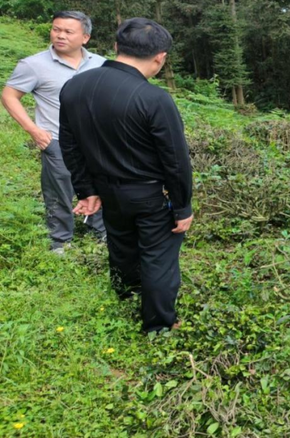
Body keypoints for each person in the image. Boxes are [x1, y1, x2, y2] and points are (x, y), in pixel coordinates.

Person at [59, 18, 193, 333]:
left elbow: (70, 143)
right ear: (160, 58)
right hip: (149, 193)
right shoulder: (154, 98)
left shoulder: (75, 86)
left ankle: (126, 292)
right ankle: (158, 325)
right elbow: (175, 161)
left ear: (117, 47)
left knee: (121, 244)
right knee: (158, 256)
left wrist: (86, 189)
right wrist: (183, 206)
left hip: (107, 190)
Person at [1, 11, 106, 254]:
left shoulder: (101, 64)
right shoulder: (34, 65)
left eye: (68, 32)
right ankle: (60, 241)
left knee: (100, 184)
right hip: (57, 139)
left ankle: (99, 232)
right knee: (60, 190)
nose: (59, 35)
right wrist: (34, 130)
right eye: (56, 29)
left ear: (85, 37)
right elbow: (9, 96)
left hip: (96, 142)